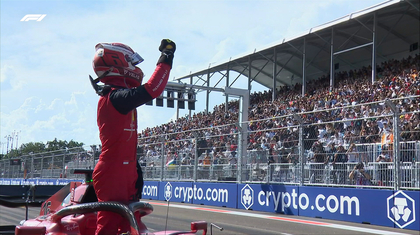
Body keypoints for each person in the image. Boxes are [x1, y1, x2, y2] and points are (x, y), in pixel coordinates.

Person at [90, 39, 176, 235]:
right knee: (108, 228)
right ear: (118, 64)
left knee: (133, 226)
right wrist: (166, 56)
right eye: (132, 63)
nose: (136, 68)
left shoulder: (116, 97)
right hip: (113, 171)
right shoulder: (113, 98)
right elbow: (153, 89)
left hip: (125, 169)